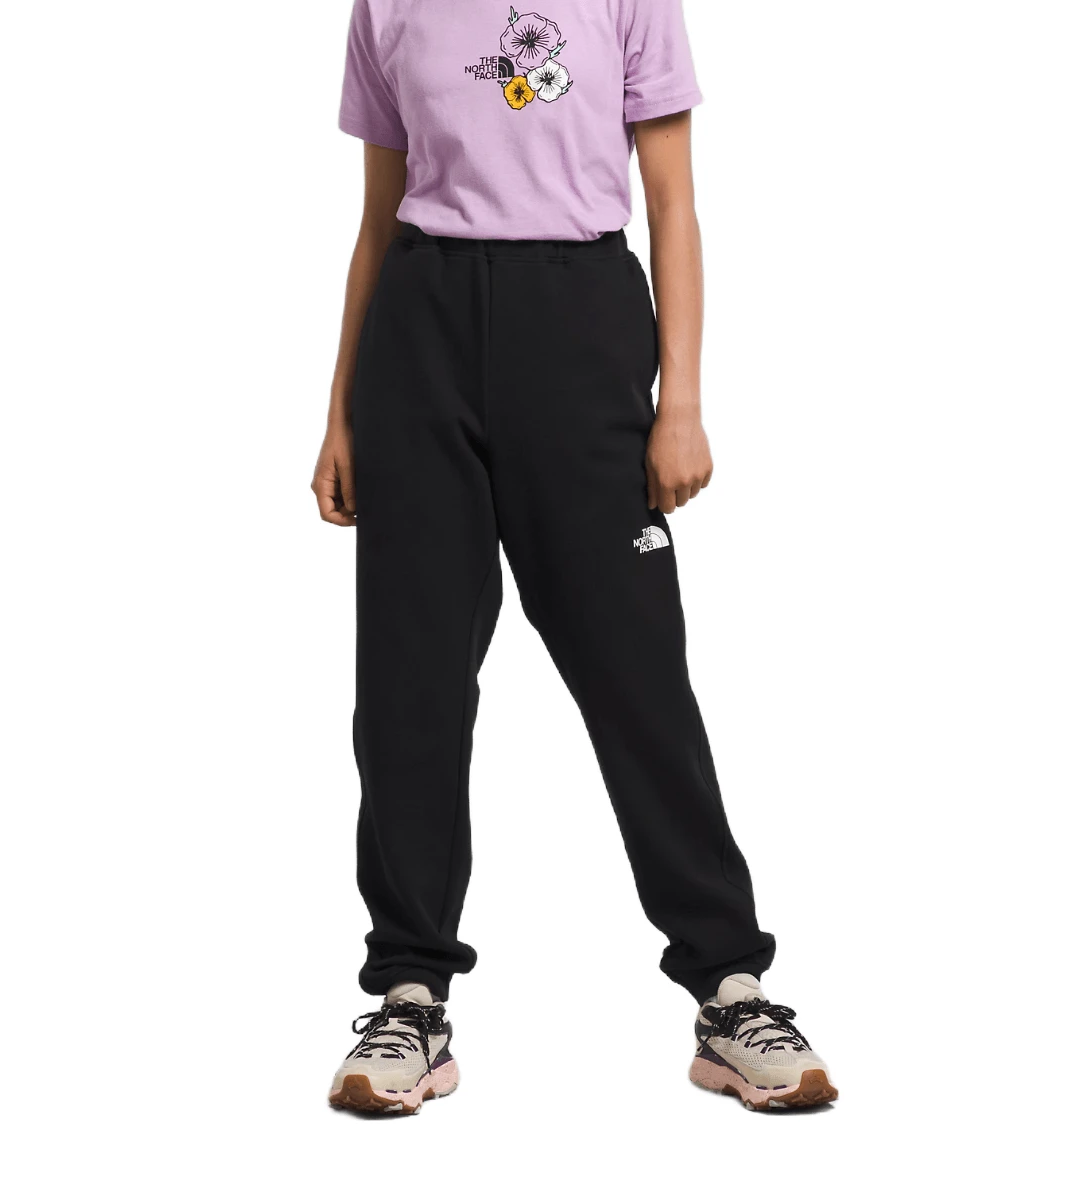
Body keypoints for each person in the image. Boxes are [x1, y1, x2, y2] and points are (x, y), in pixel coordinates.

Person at [313, 0, 837, 1115]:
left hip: (582, 323)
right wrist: (340, 413)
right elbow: (375, 218)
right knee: (408, 685)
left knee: (636, 674)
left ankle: (730, 987)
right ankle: (409, 996)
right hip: (420, 333)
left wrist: (680, 401)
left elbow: (673, 202)